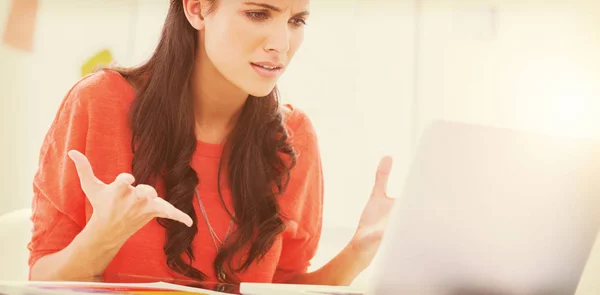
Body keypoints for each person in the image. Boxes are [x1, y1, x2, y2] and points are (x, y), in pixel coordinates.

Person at [27, 0, 395, 286]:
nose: (282, 44)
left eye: (296, 20)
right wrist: (102, 237)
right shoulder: (99, 102)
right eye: (257, 14)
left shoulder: (293, 138)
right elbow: (39, 281)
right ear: (197, 9)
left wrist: (358, 251)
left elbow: (284, 287)